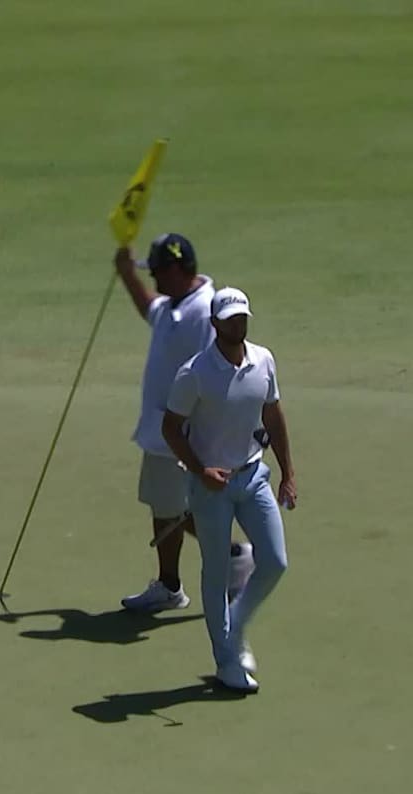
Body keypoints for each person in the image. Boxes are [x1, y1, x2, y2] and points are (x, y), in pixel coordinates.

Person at [161, 287, 296, 692]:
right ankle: (226, 662)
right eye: (230, 318)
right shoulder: (194, 373)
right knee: (216, 571)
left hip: (253, 476)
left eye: (242, 317)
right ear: (215, 323)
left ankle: (234, 626)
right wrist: (200, 470)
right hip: (210, 486)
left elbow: (273, 414)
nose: (237, 324)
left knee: (275, 561)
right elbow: (171, 428)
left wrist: (288, 473)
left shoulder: (263, 360)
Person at [115, 233, 252, 613]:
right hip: (161, 433)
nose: (154, 277)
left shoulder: (207, 310)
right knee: (165, 508)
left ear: (177, 269)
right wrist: (127, 274)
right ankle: (171, 585)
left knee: (184, 511)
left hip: (186, 434)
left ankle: (233, 556)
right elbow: (149, 307)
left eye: (158, 270)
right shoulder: (172, 305)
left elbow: (224, 366)